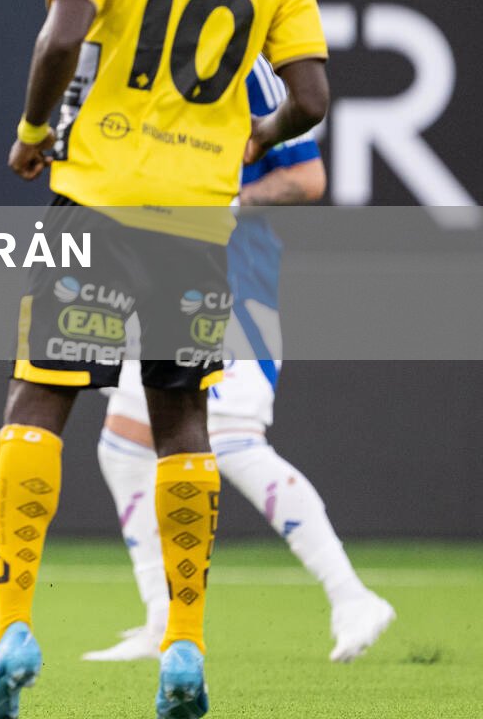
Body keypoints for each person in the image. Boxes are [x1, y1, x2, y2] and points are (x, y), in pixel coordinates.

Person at [0, 0, 330, 719]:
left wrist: (33, 131)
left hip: (96, 201)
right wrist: (257, 135)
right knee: (183, 425)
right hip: (195, 221)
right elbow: (315, 101)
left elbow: (58, 40)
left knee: (41, 398)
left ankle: (12, 621)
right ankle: (185, 645)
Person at [87, 61, 397, 664]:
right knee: (123, 444)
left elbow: (306, 177)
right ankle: (162, 619)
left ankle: (352, 596)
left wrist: (225, 201)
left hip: (230, 283)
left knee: (229, 439)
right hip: (152, 282)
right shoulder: (134, 42)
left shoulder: (248, 65)